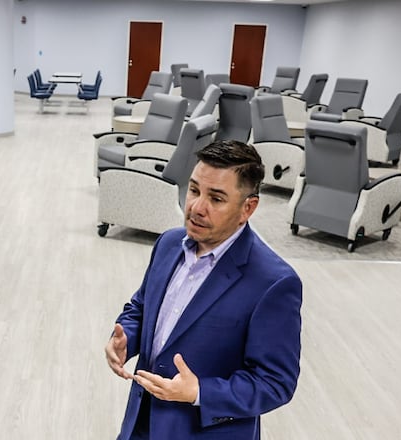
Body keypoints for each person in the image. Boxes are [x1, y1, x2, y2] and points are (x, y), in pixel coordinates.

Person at [105, 140, 303, 440]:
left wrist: (199, 391)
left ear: (247, 208)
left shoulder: (274, 283)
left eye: (216, 198)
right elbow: (141, 307)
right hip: (140, 424)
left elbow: (275, 383)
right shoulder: (168, 244)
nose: (197, 207)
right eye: (194, 190)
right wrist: (126, 338)